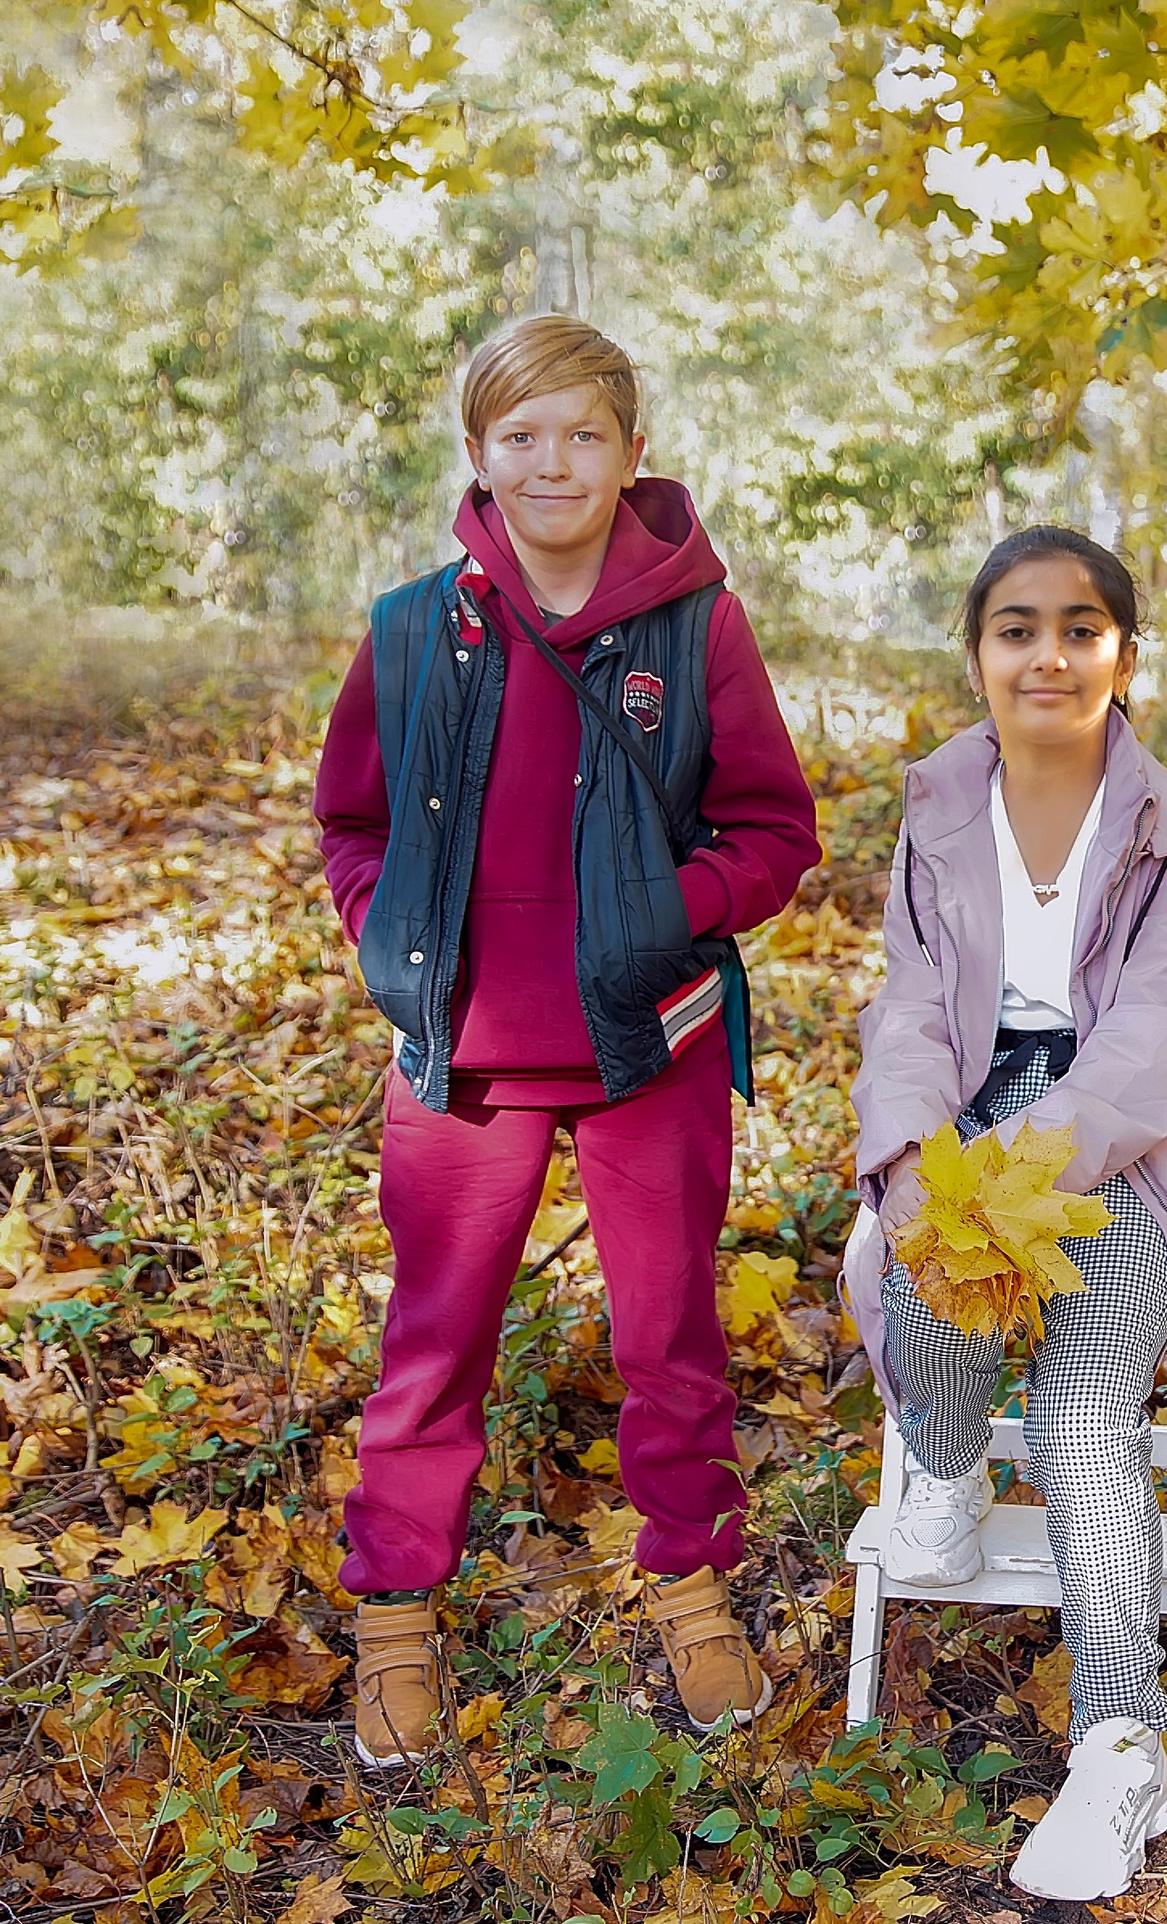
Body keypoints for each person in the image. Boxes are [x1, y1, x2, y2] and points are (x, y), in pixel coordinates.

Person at [314, 316, 821, 1763]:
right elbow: (351, 818)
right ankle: (398, 1607)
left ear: (630, 453)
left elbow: (777, 832)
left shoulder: (694, 623)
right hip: (463, 1057)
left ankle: (692, 1581)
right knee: (435, 1338)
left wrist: (662, 910)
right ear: (477, 455)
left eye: (583, 434)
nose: (553, 463)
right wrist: (384, 931)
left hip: (644, 1046)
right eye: (520, 436)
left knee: (668, 1332)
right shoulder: (414, 628)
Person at [845, 527, 1167, 1901]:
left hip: (1124, 1143)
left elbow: (1150, 1048)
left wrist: (1007, 1177)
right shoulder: (938, 809)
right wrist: (915, 1157)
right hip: (963, 1106)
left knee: (1086, 1403)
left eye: (1083, 627)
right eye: (1017, 627)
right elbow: (909, 1001)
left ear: (1124, 656)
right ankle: (948, 1460)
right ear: (979, 654)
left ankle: (1120, 1740)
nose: (1049, 652)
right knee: (921, 1280)